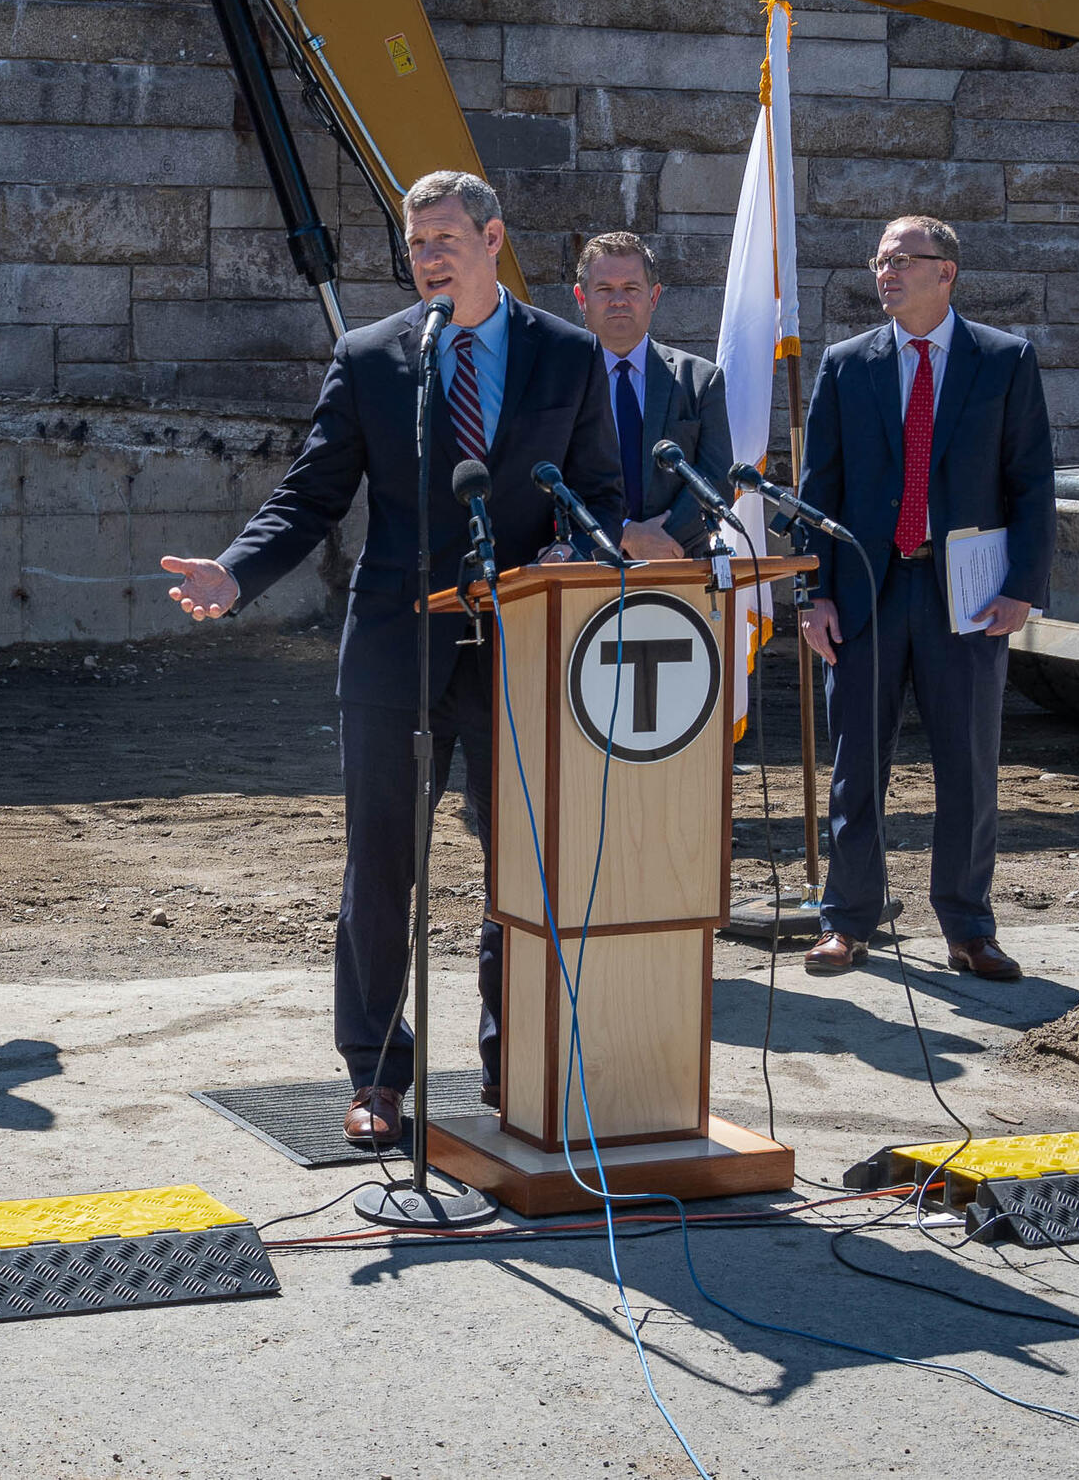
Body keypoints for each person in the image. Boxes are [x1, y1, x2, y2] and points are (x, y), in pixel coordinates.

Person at [162, 171, 626, 1145]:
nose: (426, 257)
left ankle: (516, 1066)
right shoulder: (373, 355)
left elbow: (597, 497)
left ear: (492, 236)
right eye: (415, 244)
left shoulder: (566, 356)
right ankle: (376, 1073)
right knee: (379, 869)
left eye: (444, 238)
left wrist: (561, 553)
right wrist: (236, 572)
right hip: (391, 650)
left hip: (520, 651)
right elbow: (309, 495)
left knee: (522, 872)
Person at [795, 215, 1053, 981]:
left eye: (904, 259)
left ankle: (969, 927)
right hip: (868, 592)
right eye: (880, 259)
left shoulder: (1004, 361)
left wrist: (1021, 589)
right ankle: (848, 920)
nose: (887, 271)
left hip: (967, 598)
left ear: (947, 273)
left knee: (968, 765)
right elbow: (818, 491)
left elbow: (1032, 483)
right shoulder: (847, 366)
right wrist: (812, 596)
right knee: (855, 766)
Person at [570, 231, 734, 561]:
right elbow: (546, 478)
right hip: (585, 569)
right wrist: (624, 534)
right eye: (604, 289)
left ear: (654, 296)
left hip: (677, 565)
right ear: (581, 298)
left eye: (631, 288)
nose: (618, 300)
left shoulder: (699, 380)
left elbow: (716, 478)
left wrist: (660, 540)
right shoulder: (557, 381)